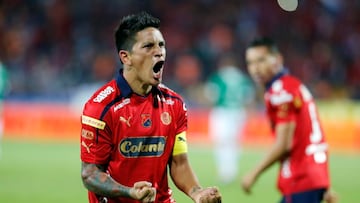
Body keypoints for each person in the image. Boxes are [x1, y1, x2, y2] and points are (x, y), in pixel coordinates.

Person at [80, 11, 222, 203]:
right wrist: (130, 192)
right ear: (126, 57)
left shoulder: (175, 104)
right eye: (148, 46)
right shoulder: (101, 107)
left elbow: (179, 163)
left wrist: (196, 192)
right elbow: (90, 174)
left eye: (161, 45)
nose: (159, 51)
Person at [241, 37, 338, 203]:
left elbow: (283, 144)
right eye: (250, 63)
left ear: (277, 60)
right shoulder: (292, 85)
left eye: (261, 60)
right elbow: (311, 134)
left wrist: (253, 173)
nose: (255, 68)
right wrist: (324, 183)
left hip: (301, 178)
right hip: (313, 176)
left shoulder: (281, 91)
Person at [204, 53, 254, 184]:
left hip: (222, 111)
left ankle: (224, 172)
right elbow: (248, 98)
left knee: (221, 141)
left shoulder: (219, 77)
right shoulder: (242, 78)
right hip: (238, 112)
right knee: (234, 142)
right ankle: (232, 170)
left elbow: (210, 95)